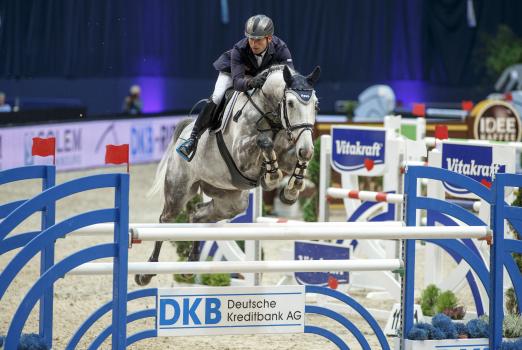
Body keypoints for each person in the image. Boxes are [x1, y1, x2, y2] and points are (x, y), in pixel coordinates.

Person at [177, 14, 294, 161]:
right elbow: (238, 82)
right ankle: (192, 139)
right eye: (250, 38)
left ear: (269, 38)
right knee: (218, 96)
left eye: (258, 40)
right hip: (232, 73)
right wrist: (251, 83)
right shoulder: (239, 49)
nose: (253, 44)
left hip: (259, 76)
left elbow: (289, 78)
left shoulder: (281, 49)